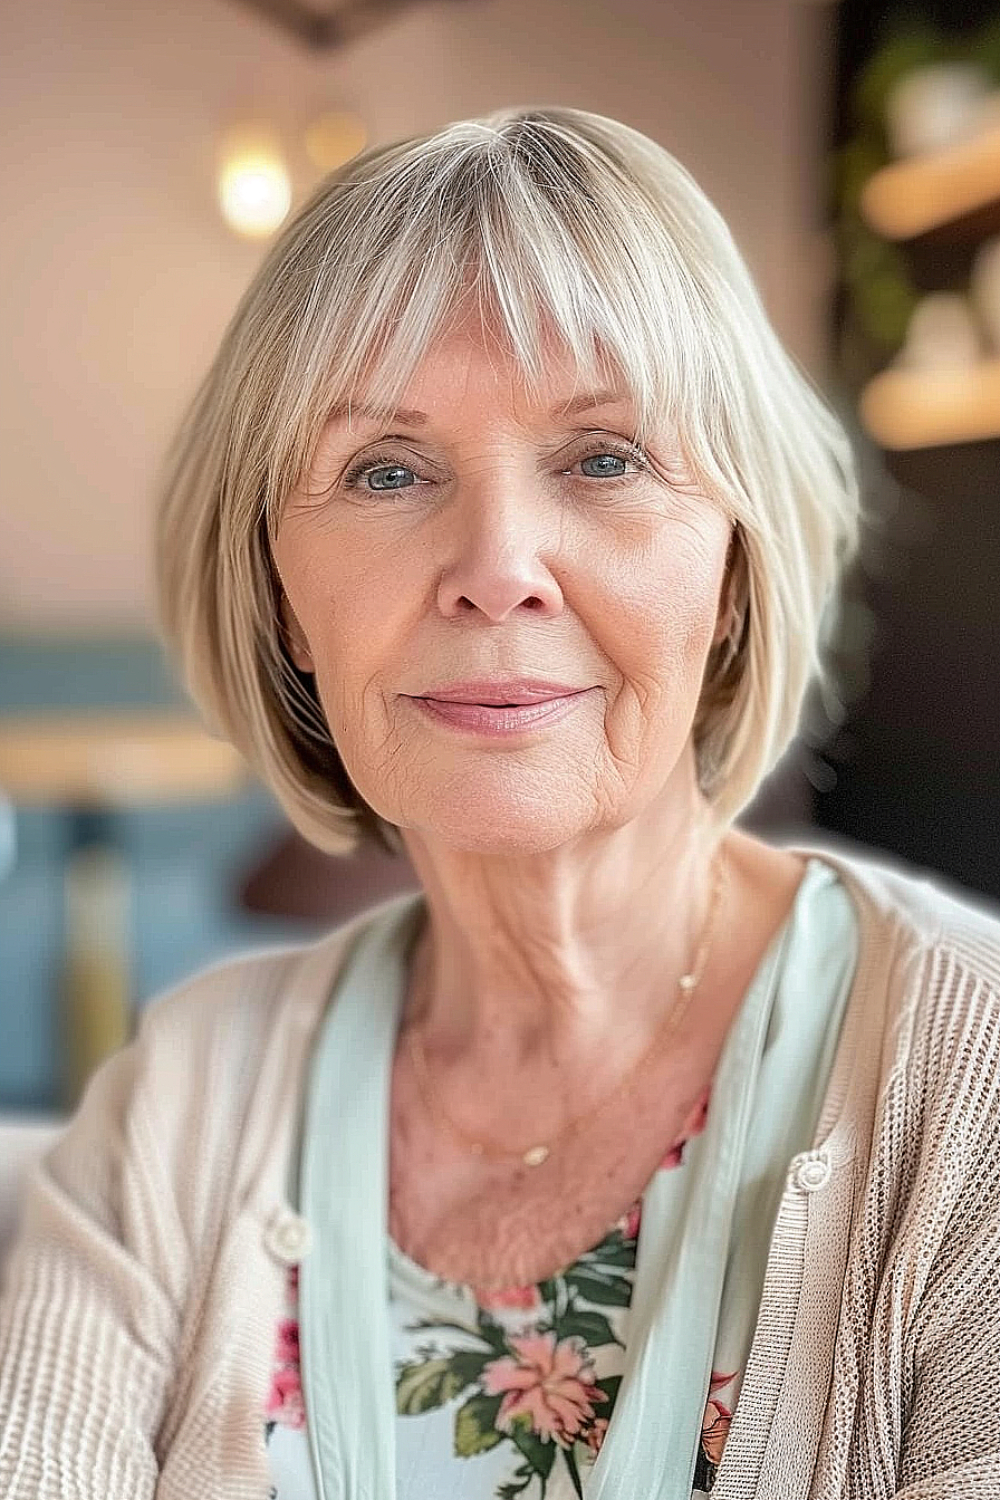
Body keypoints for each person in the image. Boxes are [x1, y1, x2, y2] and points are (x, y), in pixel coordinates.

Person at [1, 105, 998, 1500]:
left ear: (731, 574)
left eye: (603, 458)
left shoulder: (974, 1087)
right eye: (387, 471)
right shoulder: (172, 1112)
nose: (496, 567)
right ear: (286, 598)